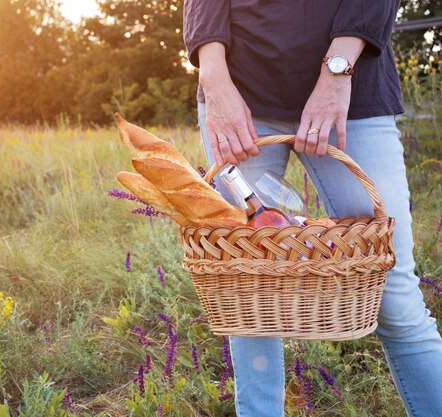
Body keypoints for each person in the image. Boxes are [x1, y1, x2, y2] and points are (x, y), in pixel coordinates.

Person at [183, 1, 442, 416]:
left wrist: (336, 71)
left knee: (395, 296)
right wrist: (214, 81)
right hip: (238, 93)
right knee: (248, 289)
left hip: (352, 91)